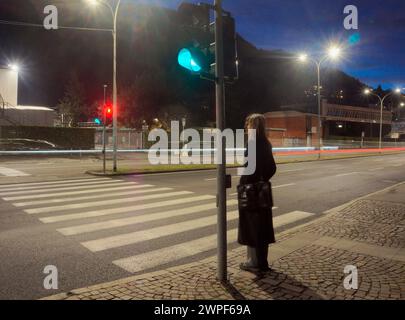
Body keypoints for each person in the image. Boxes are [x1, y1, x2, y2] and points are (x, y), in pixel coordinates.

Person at [238, 113, 277, 273]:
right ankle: (262, 261)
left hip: (251, 190)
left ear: (252, 126)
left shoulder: (252, 142)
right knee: (263, 226)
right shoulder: (266, 142)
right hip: (263, 190)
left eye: (248, 124)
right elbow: (272, 168)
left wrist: (245, 181)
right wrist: (263, 179)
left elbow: (248, 168)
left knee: (251, 226)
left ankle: (253, 262)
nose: (246, 128)